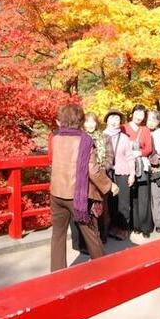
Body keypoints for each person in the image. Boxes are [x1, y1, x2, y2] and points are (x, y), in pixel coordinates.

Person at [49, 103, 119, 271]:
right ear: (79, 119)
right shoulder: (84, 139)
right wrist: (109, 185)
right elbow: (93, 170)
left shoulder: (55, 137)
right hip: (78, 195)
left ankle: (57, 274)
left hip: (56, 193)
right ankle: (103, 271)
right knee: (91, 234)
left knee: (57, 235)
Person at [70, 113, 113, 254]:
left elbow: (109, 157)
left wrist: (101, 168)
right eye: (87, 122)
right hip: (84, 180)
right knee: (86, 210)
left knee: (102, 210)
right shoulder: (79, 138)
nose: (90, 125)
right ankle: (87, 242)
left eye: (92, 122)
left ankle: (102, 237)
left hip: (100, 178)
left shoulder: (105, 137)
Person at [123, 104, 154, 238]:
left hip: (141, 165)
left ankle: (145, 226)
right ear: (132, 113)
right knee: (132, 197)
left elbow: (149, 149)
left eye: (142, 114)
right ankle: (135, 226)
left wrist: (138, 153)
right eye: (137, 113)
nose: (139, 116)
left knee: (143, 197)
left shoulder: (145, 130)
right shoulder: (123, 128)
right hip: (127, 166)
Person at [105, 110, 133, 241]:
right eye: (112, 118)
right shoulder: (101, 136)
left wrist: (132, 173)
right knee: (111, 202)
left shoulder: (124, 138)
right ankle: (112, 227)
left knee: (123, 202)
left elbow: (130, 156)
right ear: (107, 120)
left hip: (123, 172)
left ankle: (124, 229)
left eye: (117, 118)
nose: (115, 120)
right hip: (107, 173)